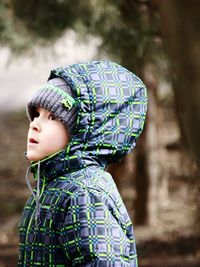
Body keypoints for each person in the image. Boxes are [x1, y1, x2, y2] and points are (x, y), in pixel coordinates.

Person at [18, 60, 148, 266]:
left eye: (52, 117)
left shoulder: (85, 194)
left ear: (81, 131)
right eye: (36, 114)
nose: (35, 125)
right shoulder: (51, 187)